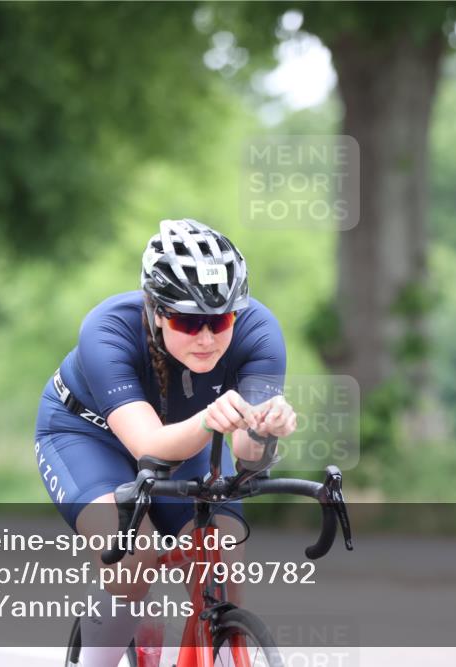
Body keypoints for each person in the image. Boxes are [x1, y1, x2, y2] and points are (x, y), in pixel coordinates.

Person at [35, 219, 297, 667]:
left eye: (220, 320)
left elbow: (247, 455)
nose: (207, 338)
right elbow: (150, 446)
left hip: (187, 438)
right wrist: (210, 420)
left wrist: (264, 430)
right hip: (86, 436)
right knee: (133, 563)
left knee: (222, 573)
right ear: (156, 310)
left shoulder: (259, 332)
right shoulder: (107, 329)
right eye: (188, 321)